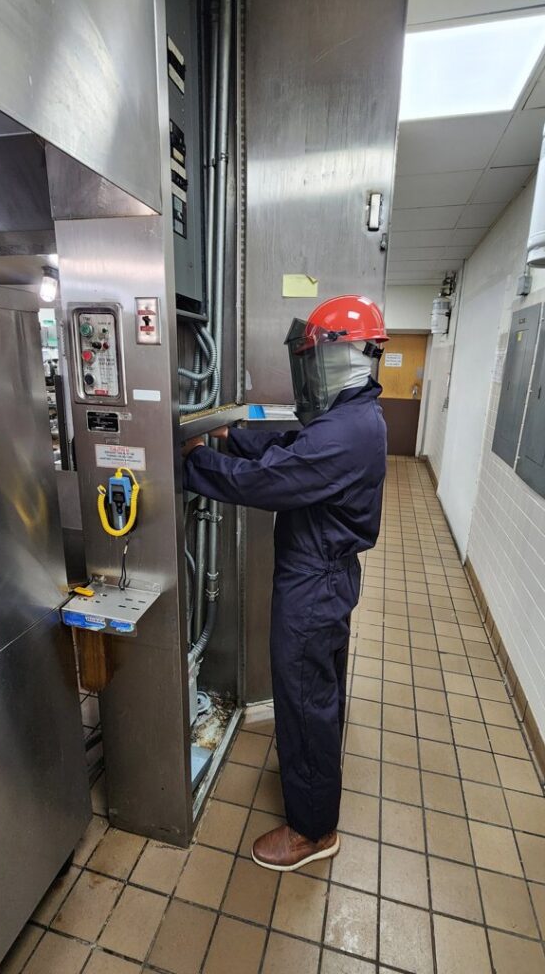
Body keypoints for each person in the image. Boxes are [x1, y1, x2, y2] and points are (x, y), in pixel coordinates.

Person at [182, 295, 388, 871]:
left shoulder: (347, 429)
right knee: (315, 695)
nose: (308, 371)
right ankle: (312, 775)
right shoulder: (352, 416)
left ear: (340, 356)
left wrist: (196, 461)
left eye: (312, 359)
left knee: (303, 699)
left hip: (313, 586)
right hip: (323, 576)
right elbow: (291, 448)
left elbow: (272, 480)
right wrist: (234, 438)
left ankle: (312, 831)